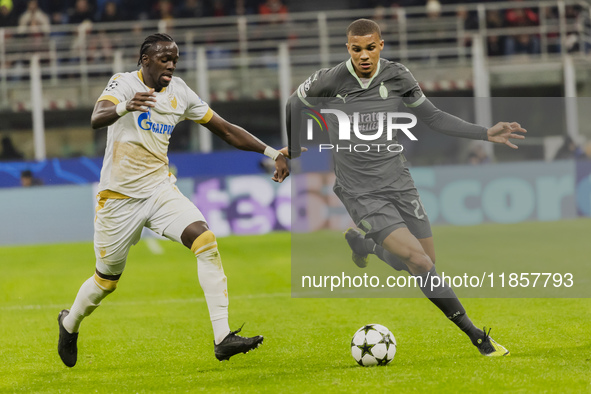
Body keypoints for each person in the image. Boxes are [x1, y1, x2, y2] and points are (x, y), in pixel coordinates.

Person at [285, 19, 526, 357]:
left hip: (399, 181)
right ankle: (478, 337)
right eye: (357, 49)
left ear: (381, 45)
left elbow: (434, 117)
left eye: (371, 47)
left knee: (425, 261)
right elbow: (293, 104)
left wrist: (485, 133)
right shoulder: (331, 79)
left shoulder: (398, 76)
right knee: (419, 262)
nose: (364, 55)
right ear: (348, 49)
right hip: (360, 191)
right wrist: (293, 151)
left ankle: (366, 246)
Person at [57, 33, 290, 368]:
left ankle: (222, 338)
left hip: (159, 190)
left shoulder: (180, 92)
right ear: (145, 59)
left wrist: (271, 152)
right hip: (119, 198)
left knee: (206, 241)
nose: (170, 64)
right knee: (105, 282)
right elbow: (97, 116)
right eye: (164, 58)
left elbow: (225, 129)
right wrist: (126, 105)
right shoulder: (123, 83)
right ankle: (70, 324)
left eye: (175, 59)